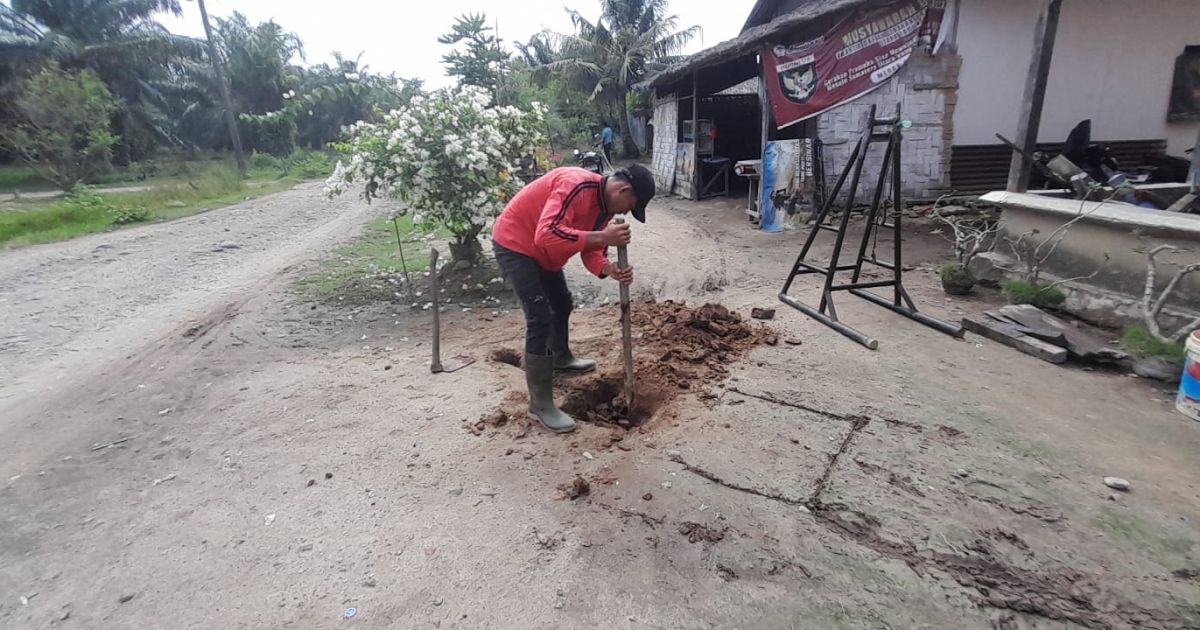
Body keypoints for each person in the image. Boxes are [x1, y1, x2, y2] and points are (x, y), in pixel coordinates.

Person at [492, 164, 656, 433]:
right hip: (516, 244)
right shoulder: (575, 184)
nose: (624, 213)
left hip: (544, 254)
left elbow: (591, 251)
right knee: (539, 315)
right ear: (623, 189)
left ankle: (559, 357)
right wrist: (603, 236)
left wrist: (609, 269)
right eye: (629, 206)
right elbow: (546, 234)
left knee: (562, 303)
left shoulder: (603, 209)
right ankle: (541, 405)